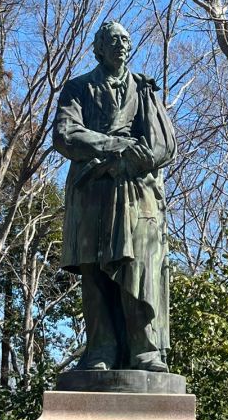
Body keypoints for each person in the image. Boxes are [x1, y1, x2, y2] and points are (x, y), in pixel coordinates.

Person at [52, 19, 176, 372]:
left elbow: (164, 144)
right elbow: (64, 134)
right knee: (95, 272)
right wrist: (115, 146)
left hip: (137, 192)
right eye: (112, 39)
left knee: (139, 267)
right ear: (99, 47)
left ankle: (144, 348)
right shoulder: (78, 89)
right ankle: (101, 349)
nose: (120, 44)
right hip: (91, 192)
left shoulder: (144, 90)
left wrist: (129, 162)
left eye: (125, 38)